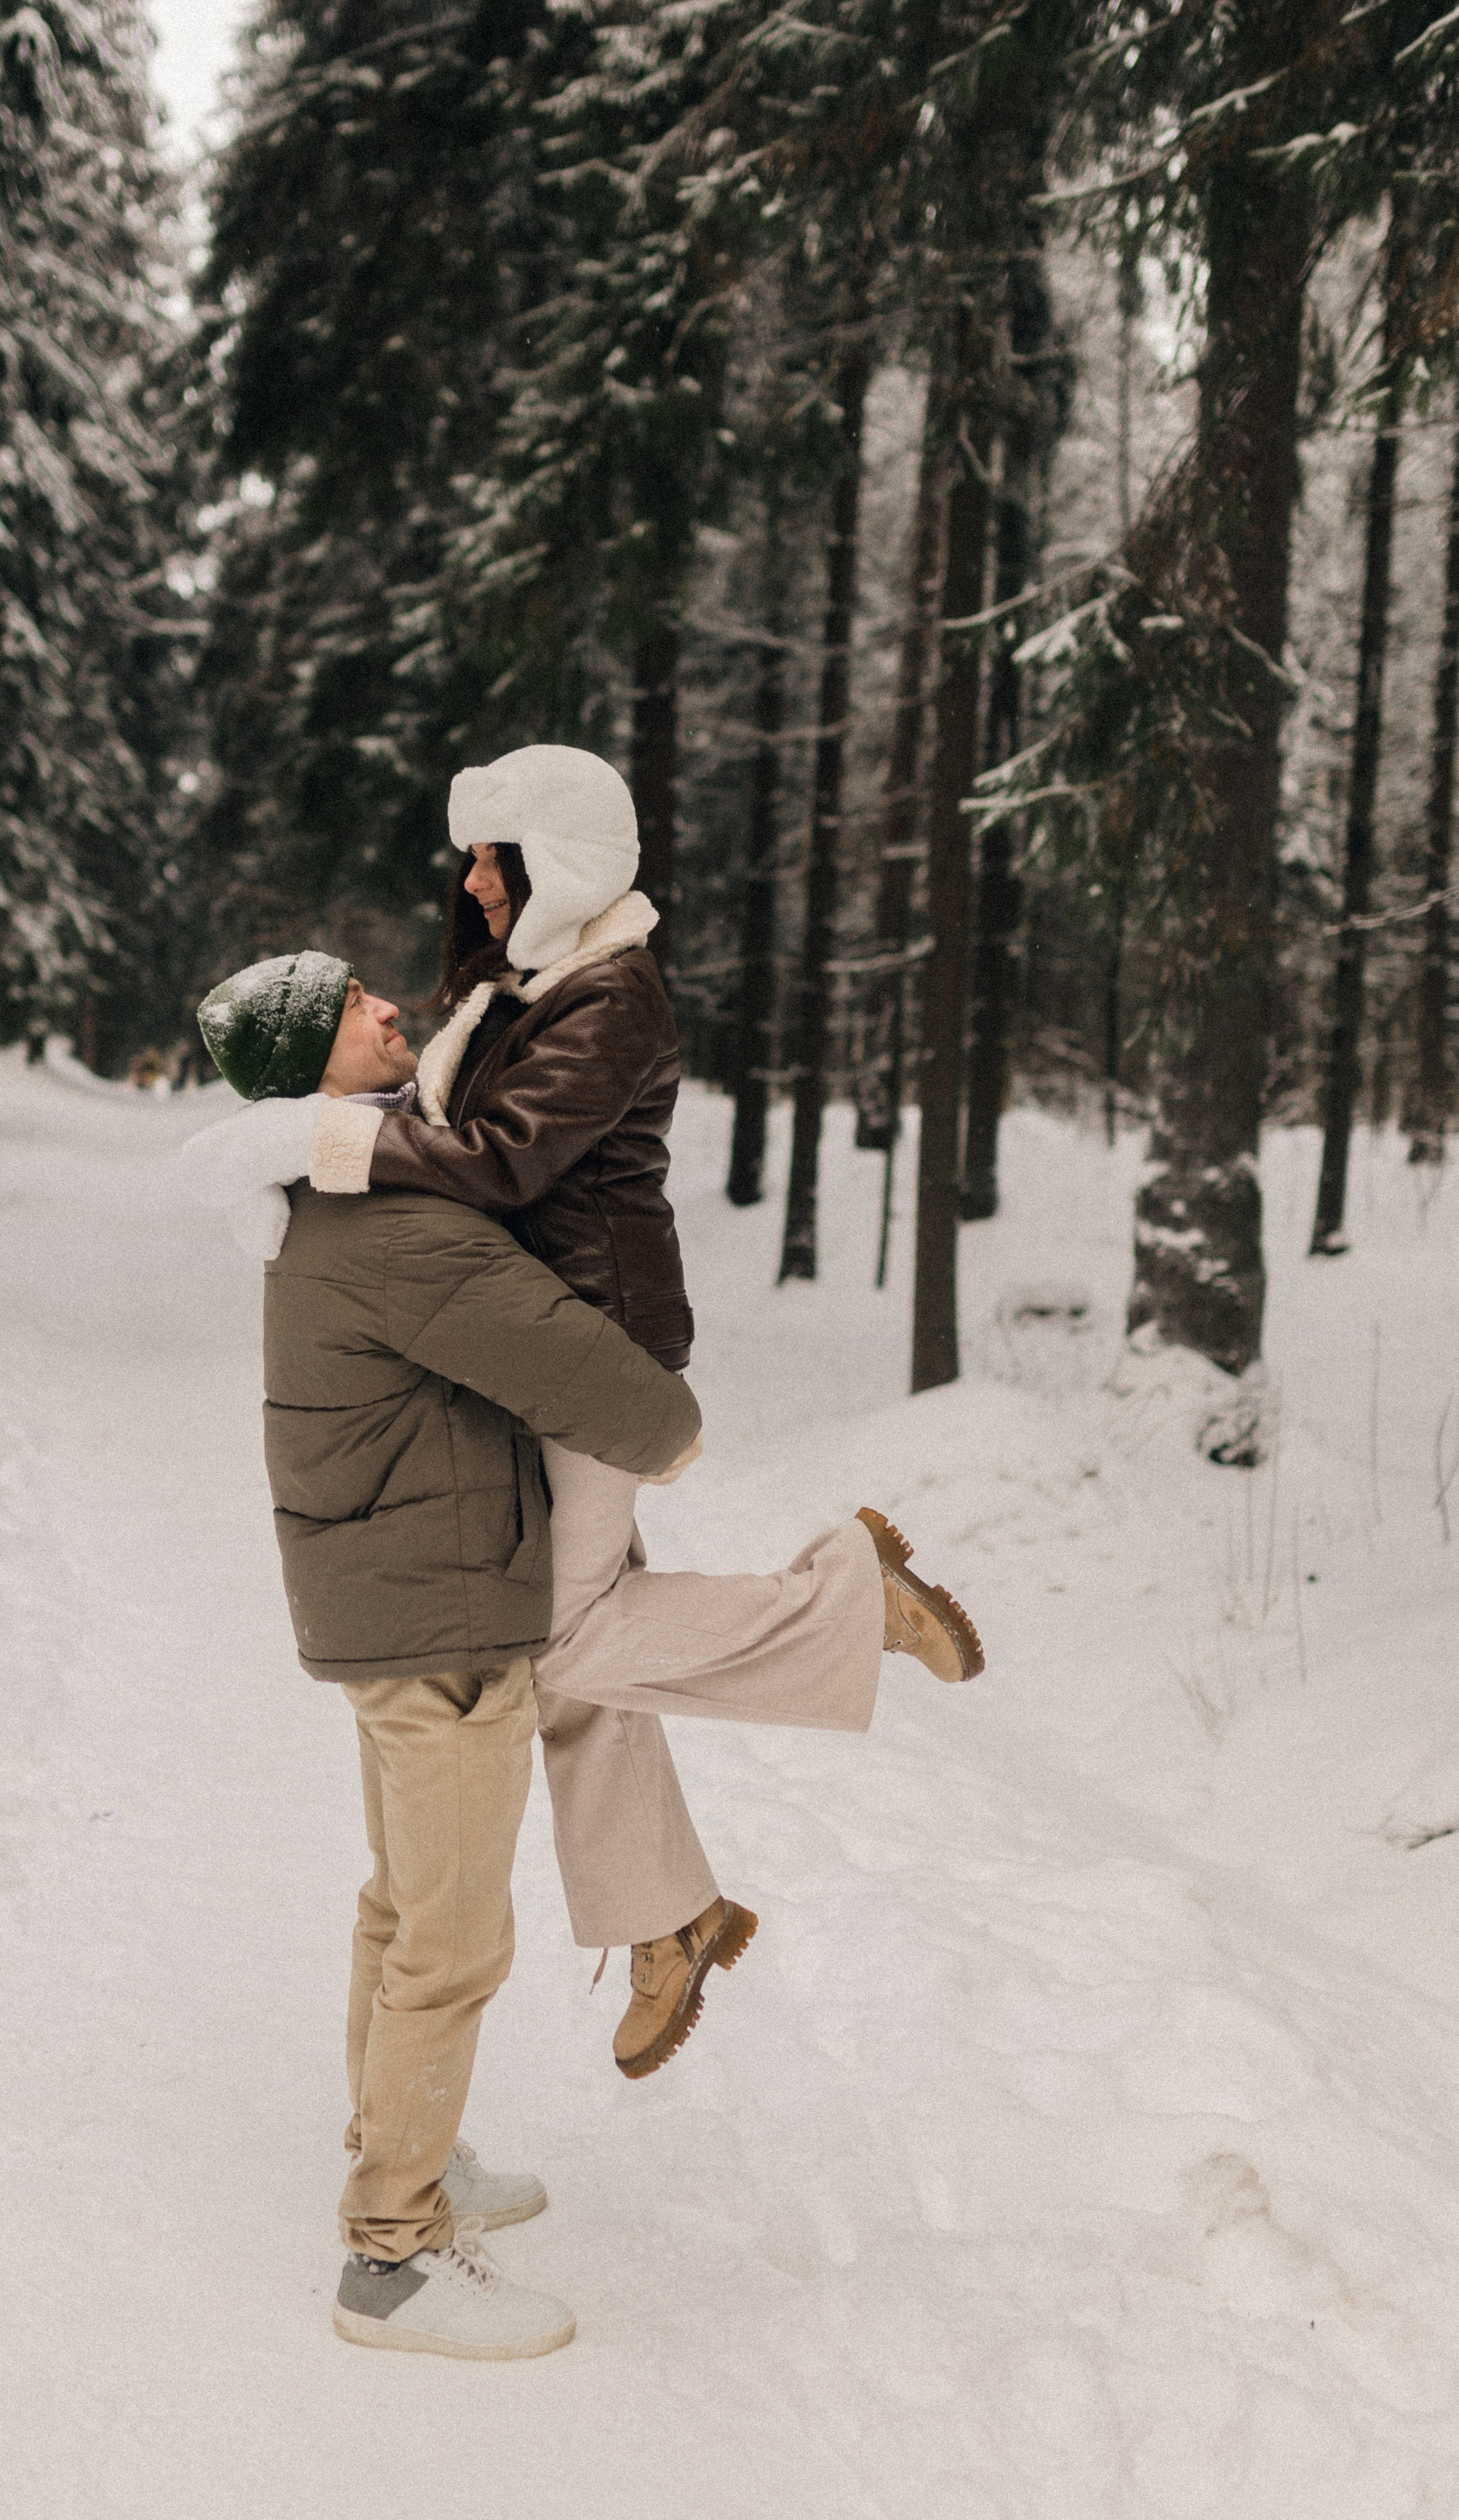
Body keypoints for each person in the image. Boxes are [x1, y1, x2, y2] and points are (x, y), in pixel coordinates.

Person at [189, 748, 985, 2088]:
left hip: (588, 1341)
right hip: (530, 1343)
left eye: (495, 857)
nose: (472, 881)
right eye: (473, 860)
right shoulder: (533, 984)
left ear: (559, 855)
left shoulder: (611, 992)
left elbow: (503, 1164)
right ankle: (672, 1917)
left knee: (552, 1643)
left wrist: (325, 1143)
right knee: (565, 1650)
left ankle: (853, 1600)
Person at [191, 947, 704, 2358]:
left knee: (400, 1908)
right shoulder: (393, 1228)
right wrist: (672, 1430)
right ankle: (392, 2254)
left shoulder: (321, 1206)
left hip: (394, 1605)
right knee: (451, 1937)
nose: (392, 1011)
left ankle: (400, 2145)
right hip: (443, 1615)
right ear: (312, 1063)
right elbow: (607, 1393)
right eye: (356, 1008)